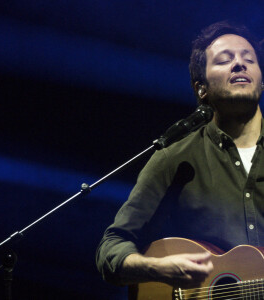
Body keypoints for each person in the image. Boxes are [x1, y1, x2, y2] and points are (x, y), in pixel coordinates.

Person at [96, 21, 264, 288]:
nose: (239, 64)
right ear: (201, 88)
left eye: (249, 59)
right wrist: (155, 268)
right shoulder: (174, 159)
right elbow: (111, 248)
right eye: (225, 59)